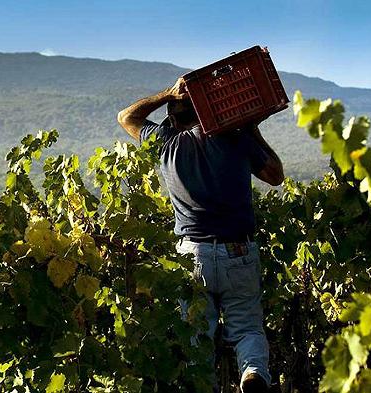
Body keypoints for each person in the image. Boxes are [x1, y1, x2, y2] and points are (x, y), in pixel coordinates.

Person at [116, 77, 284, 393]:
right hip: (239, 252)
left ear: (173, 119)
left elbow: (126, 117)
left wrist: (166, 92)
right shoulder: (234, 138)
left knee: (196, 337)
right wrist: (251, 130)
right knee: (247, 327)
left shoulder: (164, 141)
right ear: (206, 112)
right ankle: (252, 376)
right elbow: (275, 175)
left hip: (193, 255)